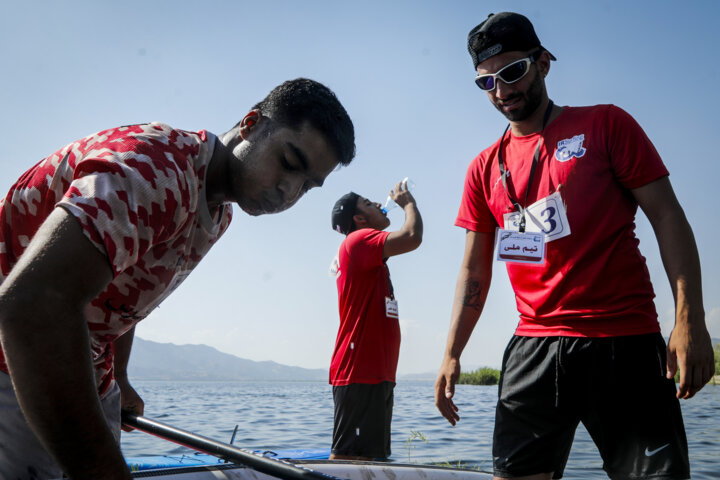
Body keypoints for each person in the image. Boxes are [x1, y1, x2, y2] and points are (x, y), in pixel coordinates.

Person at [0, 78, 355, 480]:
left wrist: (119, 376)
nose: (288, 191)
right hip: (18, 361)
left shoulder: (219, 211)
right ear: (252, 124)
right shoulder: (152, 171)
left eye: (308, 186)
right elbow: (30, 308)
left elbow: (122, 291)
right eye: (289, 163)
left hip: (89, 371)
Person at [434, 12, 715, 480]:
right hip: (534, 349)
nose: (502, 91)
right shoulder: (483, 169)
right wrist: (451, 352)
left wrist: (690, 320)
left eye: (512, 72)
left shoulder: (607, 125)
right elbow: (474, 270)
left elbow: (669, 216)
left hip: (622, 341)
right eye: (487, 82)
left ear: (543, 63)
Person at [328, 180, 422, 460]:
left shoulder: (368, 253)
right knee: (348, 460)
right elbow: (412, 236)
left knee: (371, 461)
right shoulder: (357, 241)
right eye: (369, 204)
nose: (381, 205)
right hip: (359, 372)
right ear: (359, 219)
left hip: (374, 373)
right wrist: (409, 205)